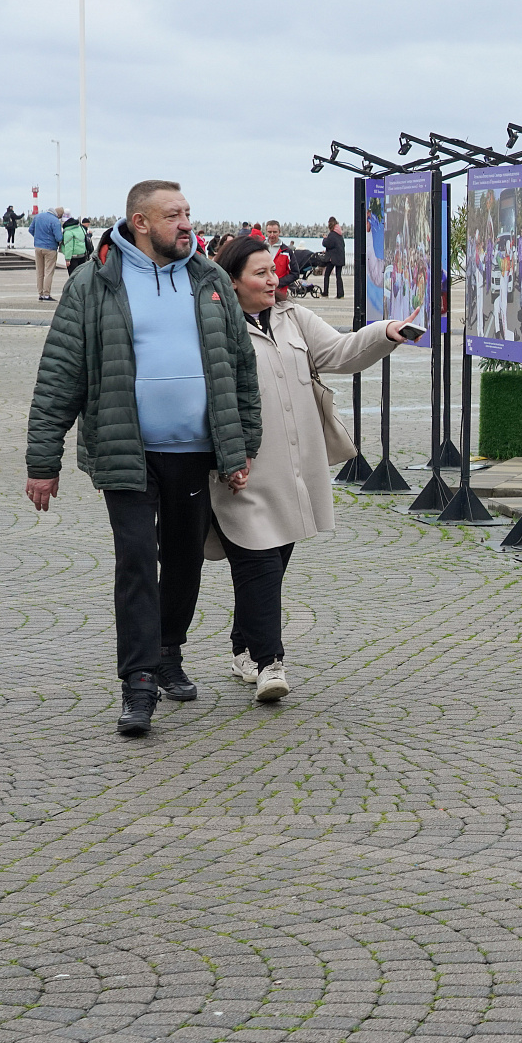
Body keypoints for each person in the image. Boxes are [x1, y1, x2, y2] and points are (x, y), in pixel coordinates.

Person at [24, 179, 261, 736]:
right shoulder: (93, 284)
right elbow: (60, 372)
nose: (187, 224)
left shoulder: (209, 282)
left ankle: (168, 649)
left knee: (183, 557)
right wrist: (43, 461)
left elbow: (241, 368)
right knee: (135, 560)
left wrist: (242, 445)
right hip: (126, 448)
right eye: (173, 215)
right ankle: (138, 683)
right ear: (141, 223)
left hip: (195, 449)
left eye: (188, 213)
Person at [210, 236, 416, 701]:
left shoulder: (293, 318)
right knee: (257, 561)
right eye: (260, 273)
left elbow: (340, 354)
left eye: (272, 270)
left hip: (294, 467)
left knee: (273, 561)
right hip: (242, 469)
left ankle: (243, 644)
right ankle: (270, 664)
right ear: (233, 280)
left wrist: (386, 332)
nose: (272, 279)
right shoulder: (212, 327)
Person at [30, 202, 64, 300]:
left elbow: (31, 230)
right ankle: (46, 294)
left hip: (38, 247)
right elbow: (58, 237)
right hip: (50, 248)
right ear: (58, 215)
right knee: (49, 271)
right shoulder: (55, 221)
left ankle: (40, 294)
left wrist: (38, 239)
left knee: (40, 272)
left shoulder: (38, 216)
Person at [320, 217, 345, 298]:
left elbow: (327, 244)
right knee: (338, 276)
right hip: (340, 258)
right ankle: (340, 294)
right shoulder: (340, 235)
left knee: (327, 274)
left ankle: (326, 292)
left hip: (333, 259)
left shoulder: (332, 235)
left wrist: (324, 238)